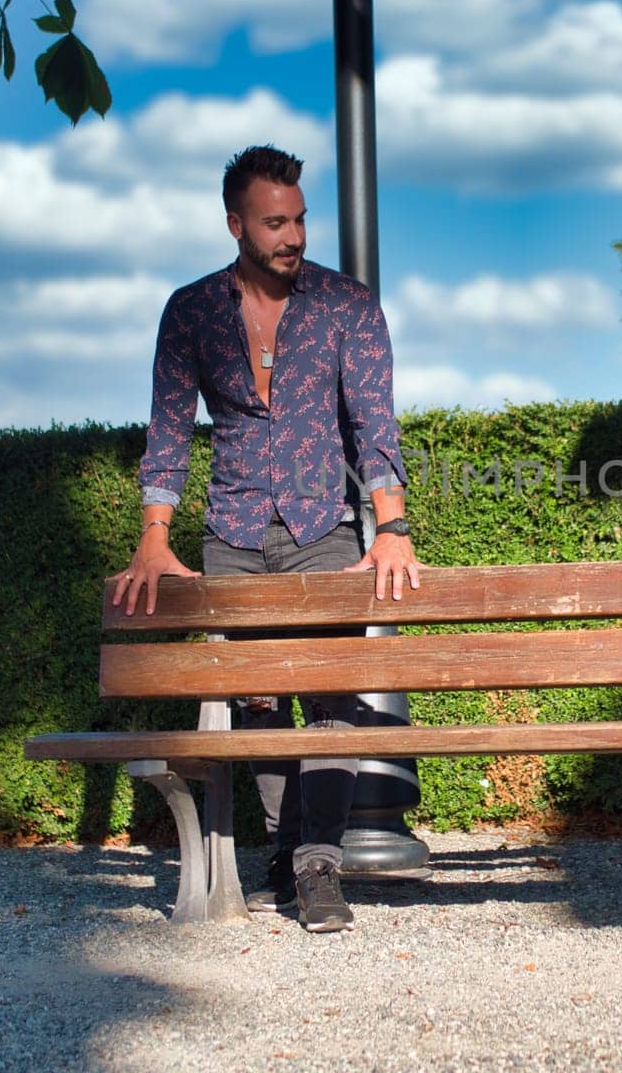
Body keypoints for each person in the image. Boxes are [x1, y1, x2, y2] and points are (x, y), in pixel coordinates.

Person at [112, 144, 422, 933]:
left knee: (328, 693)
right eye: (275, 222)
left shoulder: (348, 305)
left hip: (323, 525)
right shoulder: (192, 311)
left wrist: (391, 527)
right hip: (235, 529)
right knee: (255, 700)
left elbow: (374, 422)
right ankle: (288, 854)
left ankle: (317, 864)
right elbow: (170, 427)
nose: (294, 236)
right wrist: (154, 536)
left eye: (301, 218)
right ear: (236, 224)